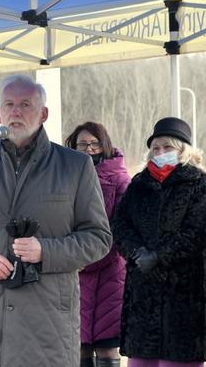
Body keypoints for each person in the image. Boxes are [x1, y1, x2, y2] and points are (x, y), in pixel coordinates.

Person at [0, 75, 112, 367]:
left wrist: (46, 251)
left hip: (49, 330)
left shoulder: (75, 166)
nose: (16, 112)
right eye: (9, 105)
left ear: (44, 113)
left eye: (26, 104)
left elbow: (98, 238)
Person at [112, 117, 206, 367]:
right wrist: (136, 252)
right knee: (141, 361)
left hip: (181, 295)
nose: (160, 153)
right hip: (142, 294)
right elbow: (120, 223)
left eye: (168, 147)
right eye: (156, 148)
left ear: (183, 151)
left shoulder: (200, 185)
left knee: (177, 360)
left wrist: (158, 256)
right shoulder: (139, 184)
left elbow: (196, 234)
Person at [64, 122, 130, 367]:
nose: (89, 149)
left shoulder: (121, 180)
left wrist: (86, 259)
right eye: (83, 144)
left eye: (94, 143)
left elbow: (120, 229)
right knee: (78, 349)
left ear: (105, 145)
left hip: (110, 275)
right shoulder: (65, 178)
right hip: (75, 272)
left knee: (107, 350)